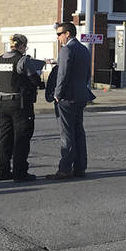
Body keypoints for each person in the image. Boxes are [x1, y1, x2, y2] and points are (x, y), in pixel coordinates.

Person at [45, 22, 95, 180]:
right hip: (81, 95)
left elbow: (63, 73)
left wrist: (57, 94)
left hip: (67, 97)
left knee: (66, 133)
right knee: (78, 132)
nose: (58, 37)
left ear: (67, 33)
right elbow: (88, 74)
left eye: (59, 34)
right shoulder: (84, 49)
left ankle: (65, 169)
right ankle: (80, 167)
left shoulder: (67, 49)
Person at [0, 33, 43, 183]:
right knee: (21, 137)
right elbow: (34, 79)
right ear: (21, 46)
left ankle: (1, 171)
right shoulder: (23, 60)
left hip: (2, 103)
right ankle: (20, 173)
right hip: (19, 104)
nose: (25, 49)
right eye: (24, 47)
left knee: (4, 137)